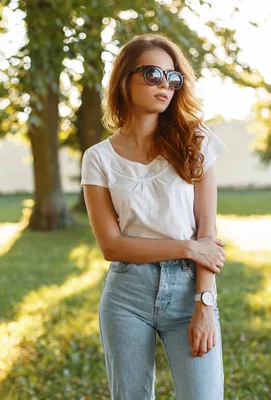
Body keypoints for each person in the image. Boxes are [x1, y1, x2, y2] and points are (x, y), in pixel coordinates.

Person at [80, 33, 227, 400]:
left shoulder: (195, 143)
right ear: (124, 80)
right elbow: (112, 246)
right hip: (127, 294)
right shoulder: (98, 158)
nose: (165, 84)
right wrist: (187, 248)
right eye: (152, 74)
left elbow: (207, 236)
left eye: (173, 78)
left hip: (189, 291)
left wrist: (204, 305)